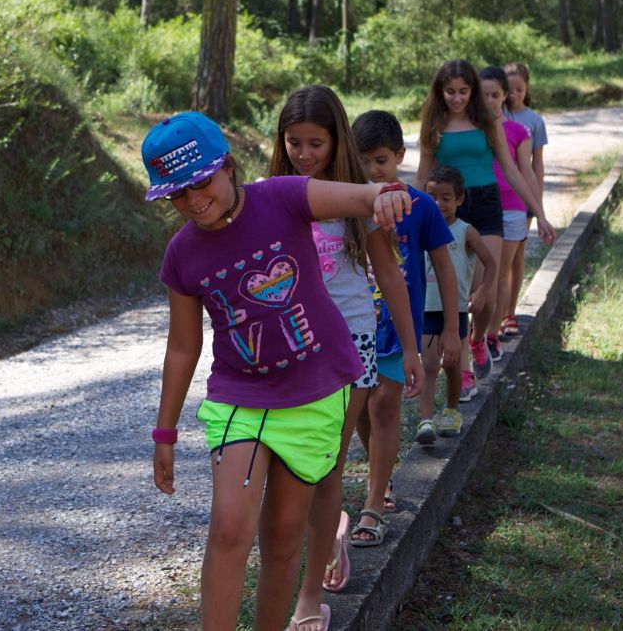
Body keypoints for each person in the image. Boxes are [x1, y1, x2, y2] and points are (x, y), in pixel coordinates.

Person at [146, 111, 414, 631]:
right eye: (177, 195)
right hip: (239, 402)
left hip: (316, 393)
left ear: (227, 167)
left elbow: (358, 196)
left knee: (286, 536)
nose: (194, 201)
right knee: (228, 528)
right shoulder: (182, 254)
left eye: (201, 183)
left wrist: (382, 195)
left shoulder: (281, 197)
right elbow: (182, 348)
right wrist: (165, 430)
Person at [269, 86, 424, 628]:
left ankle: (309, 599)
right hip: (293, 348)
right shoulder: (276, 196)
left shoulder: (359, 199)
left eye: (316, 142)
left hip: (352, 345)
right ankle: (330, 527)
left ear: (337, 141)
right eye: (294, 142)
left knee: (326, 464)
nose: (305, 153)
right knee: (294, 470)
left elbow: (390, 278)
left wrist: (409, 348)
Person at [351, 109, 460, 544]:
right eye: (363, 162)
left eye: (380, 160)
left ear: (399, 155)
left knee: (384, 407)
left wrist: (451, 329)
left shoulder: (421, 207)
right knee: (358, 407)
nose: (372, 171)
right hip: (355, 328)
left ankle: (373, 505)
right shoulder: (347, 206)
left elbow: (445, 270)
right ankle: (382, 477)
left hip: (399, 329)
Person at [412, 60, 554, 384]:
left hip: (488, 204)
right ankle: (463, 371)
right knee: (461, 294)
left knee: (485, 294)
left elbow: (513, 170)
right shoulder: (434, 125)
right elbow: (422, 174)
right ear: (440, 92)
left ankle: (478, 340)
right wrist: (407, 214)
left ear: (472, 91)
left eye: (464, 91)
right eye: (450, 92)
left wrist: (539, 212)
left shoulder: (487, 121)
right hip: (450, 210)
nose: (457, 98)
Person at [417, 165, 496, 443]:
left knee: (451, 365)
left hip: (457, 310)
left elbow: (491, 263)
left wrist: (483, 290)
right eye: (432, 197)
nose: (438, 204)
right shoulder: (421, 229)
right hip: (426, 308)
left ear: (459, 199)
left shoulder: (466, 232)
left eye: (446, 198)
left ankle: (451, 410)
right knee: (428, 364)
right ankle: (425, 420)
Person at [480, 65, 534, 362]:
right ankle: (477, 334)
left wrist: (536, 209)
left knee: (499, 273)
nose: (490, 101)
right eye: (484, 95)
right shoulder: (472, 129)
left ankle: (491, 334)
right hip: (479, 207)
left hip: (512, 208)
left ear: (504, 97)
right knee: (478, 277)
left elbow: (524, 171)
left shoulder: (518, 131)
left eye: (495, 95)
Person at [501, 61, 550, 338]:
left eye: (519, 89)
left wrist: (537, 200)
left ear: (527, 89)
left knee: (517, 255)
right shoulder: (494, 116)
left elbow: (537, 164)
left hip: (525, 197)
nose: (514, 94)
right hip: (498, 197)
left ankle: (510, 313)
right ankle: (493, 312)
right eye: (509, 89)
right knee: (498, 259)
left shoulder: (534, 121)